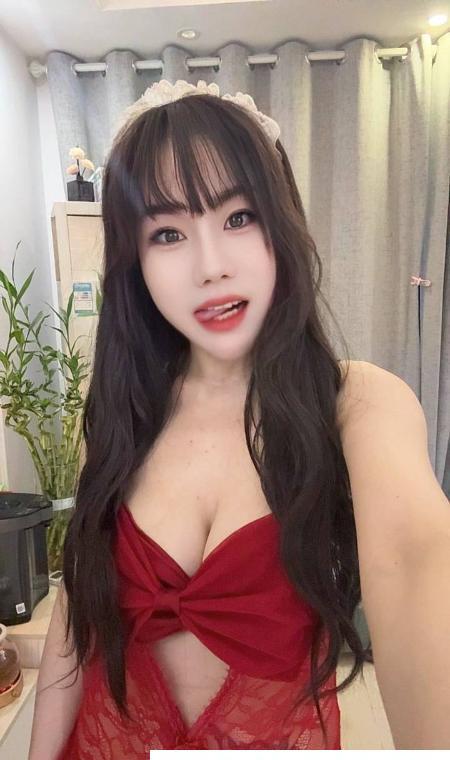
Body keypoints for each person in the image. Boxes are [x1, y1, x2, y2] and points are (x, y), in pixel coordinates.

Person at [29, 79, 372, 758]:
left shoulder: (351, 409)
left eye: (238, 217)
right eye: (167, 234)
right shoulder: (124, 411)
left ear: (281, 223)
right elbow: (75, 618)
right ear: (135, 263)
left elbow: (421, 568)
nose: (210, 267)